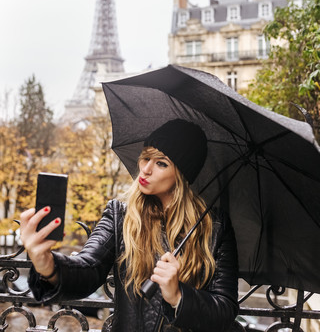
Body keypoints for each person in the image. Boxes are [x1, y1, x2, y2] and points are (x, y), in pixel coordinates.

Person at [20, 119, 239, 332]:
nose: (145, 169)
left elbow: (225, 310)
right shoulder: (120, 215)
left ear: (182, 175)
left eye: (161, 163)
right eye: (146, 158)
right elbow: (88, 269)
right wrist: (47, 264)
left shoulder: (215, 227)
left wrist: (178, 296)